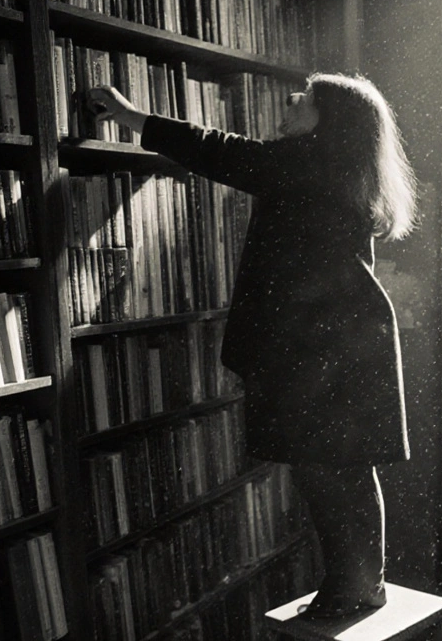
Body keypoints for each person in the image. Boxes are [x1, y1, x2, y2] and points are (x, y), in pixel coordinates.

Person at [88, 73, 417, 619]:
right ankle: (360, 583)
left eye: (308, 100)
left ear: (330, 124)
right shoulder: (331, 169)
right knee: (342, 470)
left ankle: (356, 588)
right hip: (338, 341)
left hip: (328, 346)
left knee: (329, 471)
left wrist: (131, 118)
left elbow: (217, 151)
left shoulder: (308, 165)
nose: (292, 99)